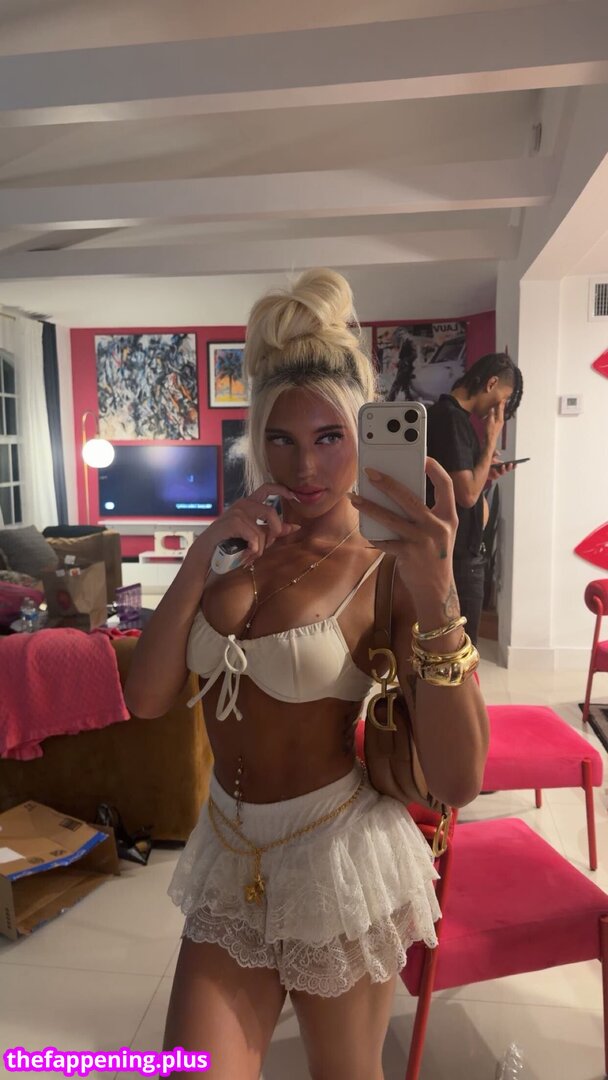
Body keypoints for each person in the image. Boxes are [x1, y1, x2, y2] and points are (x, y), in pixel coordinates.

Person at [124, 269, 489, 1080]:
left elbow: (459, 779)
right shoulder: (234, 548)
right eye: (282, 439)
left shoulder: (385, 566)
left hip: (335, 858)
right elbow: (146, 698)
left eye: (330, 437)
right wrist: (200, 554)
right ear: (257, 438)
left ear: (365, 433)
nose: (305, 466)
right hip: (229, 852)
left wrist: (440, 594)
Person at [425, 353, 523, 647]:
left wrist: (485, 473)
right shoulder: (452, 419)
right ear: (491, 384)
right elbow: (467, 495)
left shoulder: (446, 416)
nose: (498, 409)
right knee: (462, 653)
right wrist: (491, 439)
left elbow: (458, 484)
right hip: (458, 559)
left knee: (455, 650)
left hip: (453, 553)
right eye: (502, 400)